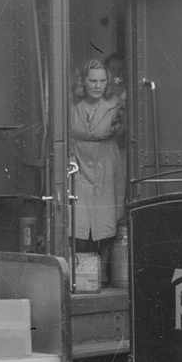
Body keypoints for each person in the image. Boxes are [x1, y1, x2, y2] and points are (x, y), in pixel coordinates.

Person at [70, 59, 126, 284]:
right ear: (83, 82)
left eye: (102, 81)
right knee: (79, 216)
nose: (97, 85)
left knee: (106, 217)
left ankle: (103, 273)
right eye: (92, 80)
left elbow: (124, 134)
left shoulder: (116, 104)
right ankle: (82, 272)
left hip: (106, 161)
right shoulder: (72, 105)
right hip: (78, 161)